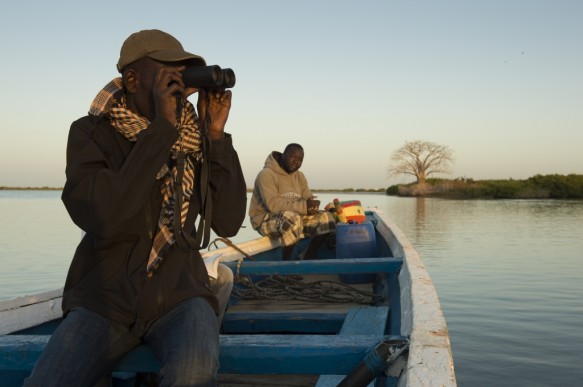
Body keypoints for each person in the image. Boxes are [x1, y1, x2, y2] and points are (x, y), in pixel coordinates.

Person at [24, 29, 247, 386]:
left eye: (184, 75)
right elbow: (104, 215)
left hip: (181, 294)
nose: (180, 84)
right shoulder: (90, 133)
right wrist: (162, 131)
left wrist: (216, 137)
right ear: (132, 79)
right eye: (168, 74)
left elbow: (229, 221)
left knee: (194, 372)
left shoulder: (195, 137)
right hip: (104, 298)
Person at [248, 143, 336, 260]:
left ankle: (306, 260)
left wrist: (315, 206)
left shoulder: (300, 176)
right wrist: (305, 207)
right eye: (293, 157)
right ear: (283, 155)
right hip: (264, 219)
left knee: (327, 218)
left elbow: (307, 198)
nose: (296, 162)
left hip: (292, 217)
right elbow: (273, 205)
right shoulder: (266, 174)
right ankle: (286, 267)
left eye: (300, 160)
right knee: (293, 219)